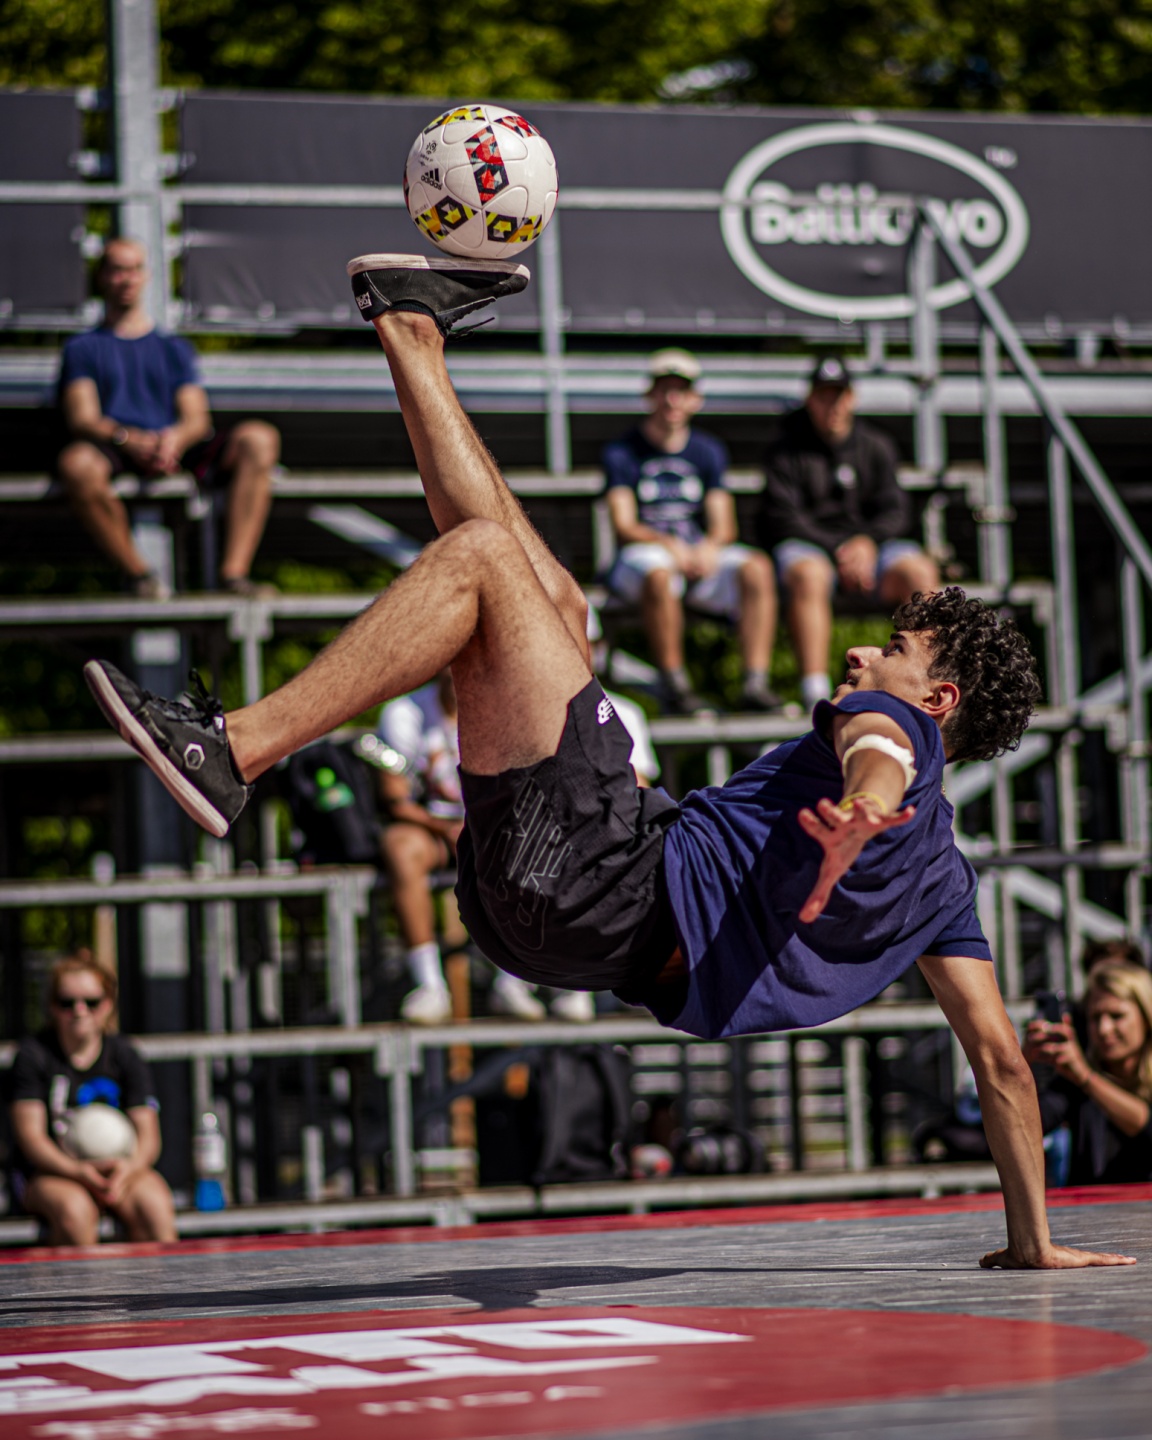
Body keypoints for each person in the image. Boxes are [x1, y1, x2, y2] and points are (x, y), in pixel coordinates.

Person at [84, 251, 1132, 1270]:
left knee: (484, 560)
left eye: (893, 649)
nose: (863, 655)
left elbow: (879, 750)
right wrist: (1032, 1242)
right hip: (567, 931)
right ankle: (410, 331)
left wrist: (864, 804)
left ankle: (232, 749)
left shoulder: (891, 728)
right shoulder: (947, 883)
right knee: (555, 603)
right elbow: (1001, 1062)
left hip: (608, 879)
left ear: (937, 700)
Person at [56, 237, 280, 599]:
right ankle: (140, 577)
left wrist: (173, 440)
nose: (127, 279)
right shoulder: (81, 348)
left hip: (175, 449)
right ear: (101, 276)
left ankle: (233, 577)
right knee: (76, 464)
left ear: (145, 276)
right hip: (115, 451)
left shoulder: (174, 348)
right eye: (117, 270)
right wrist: (129, 440)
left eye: (134, 269)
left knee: (259, 438)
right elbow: (83, 418)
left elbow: (196, 418)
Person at [376, 670, 602, 1024]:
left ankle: (520, 980)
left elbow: (531, 789)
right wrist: (446, 828)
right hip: (433, 831)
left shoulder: (510, 707)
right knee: (400, 847)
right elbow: (396, 800)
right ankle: (429, 985)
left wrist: (480, 829)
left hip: (495, 827)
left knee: (546, 837)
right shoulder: (401, 714)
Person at [602, 348, 779, 715]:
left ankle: (755, 683)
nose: (672, 399)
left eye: (680, 390)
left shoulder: (708, 450)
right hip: (643, 557)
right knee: (658, 572)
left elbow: (724, 525)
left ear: (695, 399)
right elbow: (624, 525)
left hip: (695, 555)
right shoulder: (621, 452)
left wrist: (708, 548)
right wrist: (669, 544)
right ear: (649, 395)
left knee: (758, 568)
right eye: (664, 389)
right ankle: (675, 686)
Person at [758, 356, 940, 712]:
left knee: (920, 571)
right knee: (808, 572)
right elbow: (782, 517)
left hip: (872, 550)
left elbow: (896, 511)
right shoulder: (785, 450)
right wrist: (840, 549)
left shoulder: (876, 444)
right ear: (810, 399)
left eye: (838, 395)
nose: (833, 405)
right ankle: (816, 694)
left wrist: (866, 543)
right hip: (814, 550)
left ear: (852, 398)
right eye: (824, 396)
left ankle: (925, 682)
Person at [8, 952, 177, 1246]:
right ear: (52, 1007)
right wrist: (78, 1172)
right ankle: (86, 1281)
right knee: (75, 1212)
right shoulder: (33, 1056)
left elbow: (149, 1136)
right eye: (67, 1002)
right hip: (51, 1173)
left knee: (155, 1206)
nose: (79, 1010)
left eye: (91, 1002)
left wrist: (126, 1171)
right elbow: (31, 1138)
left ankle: (158, 1280)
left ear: (108, 1004)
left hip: (121, 1170)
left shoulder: (125, 1054)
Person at [1024, 963, 1152, 1185]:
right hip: (1091, 1207)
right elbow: (1021, 1129)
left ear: (1146, 1016)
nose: (1104, 1029)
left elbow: (1147, 1128)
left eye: (1117, 1016)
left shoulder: (1082, 1077)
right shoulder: (1074, 1081)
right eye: (1095, 1018)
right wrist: (1020, 1064)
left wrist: (1086, 1078)